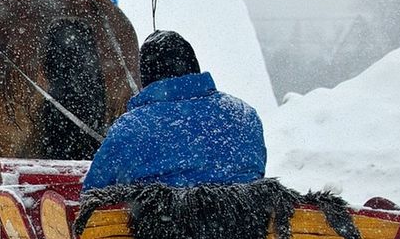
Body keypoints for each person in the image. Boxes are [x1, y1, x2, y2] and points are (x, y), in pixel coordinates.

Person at [82, 30, 266, 191]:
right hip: (243, 227)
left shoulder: (131, 127)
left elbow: (94, 192)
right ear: (194, 66)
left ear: (146, 76)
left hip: (155, 229)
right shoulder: (244, 115)